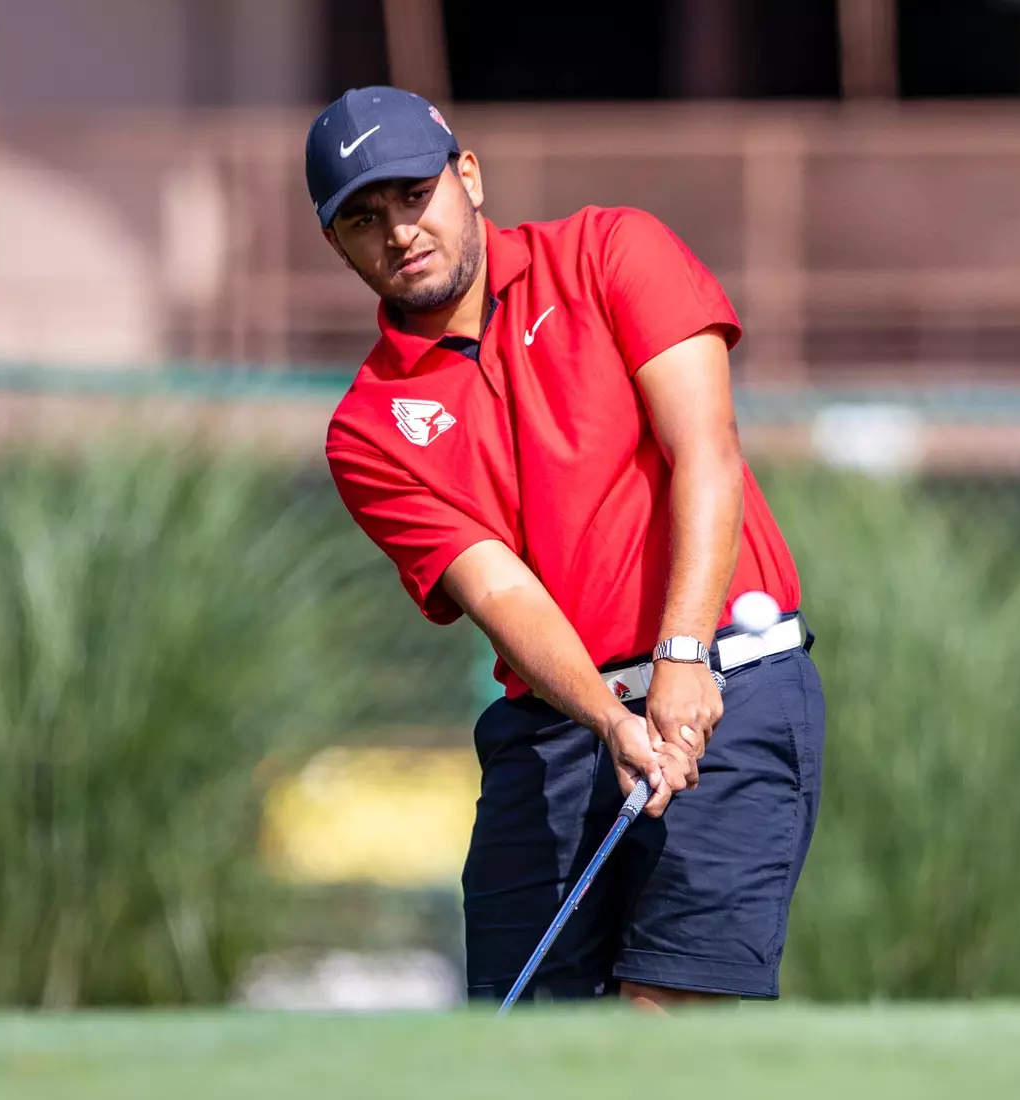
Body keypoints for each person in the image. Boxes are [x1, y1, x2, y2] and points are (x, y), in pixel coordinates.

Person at [306, 86, 825, 1012]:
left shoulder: (610, 251)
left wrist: (680, 655)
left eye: (414, 195)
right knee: (526, 1042)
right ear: (336, 244)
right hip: (555, 726)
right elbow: (498, 590)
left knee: (665, 1025)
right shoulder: (366, 428)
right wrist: (611, 718)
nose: (399, 233)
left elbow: (705, 453)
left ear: (466, 175)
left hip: (725, 685)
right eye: (363, 218)